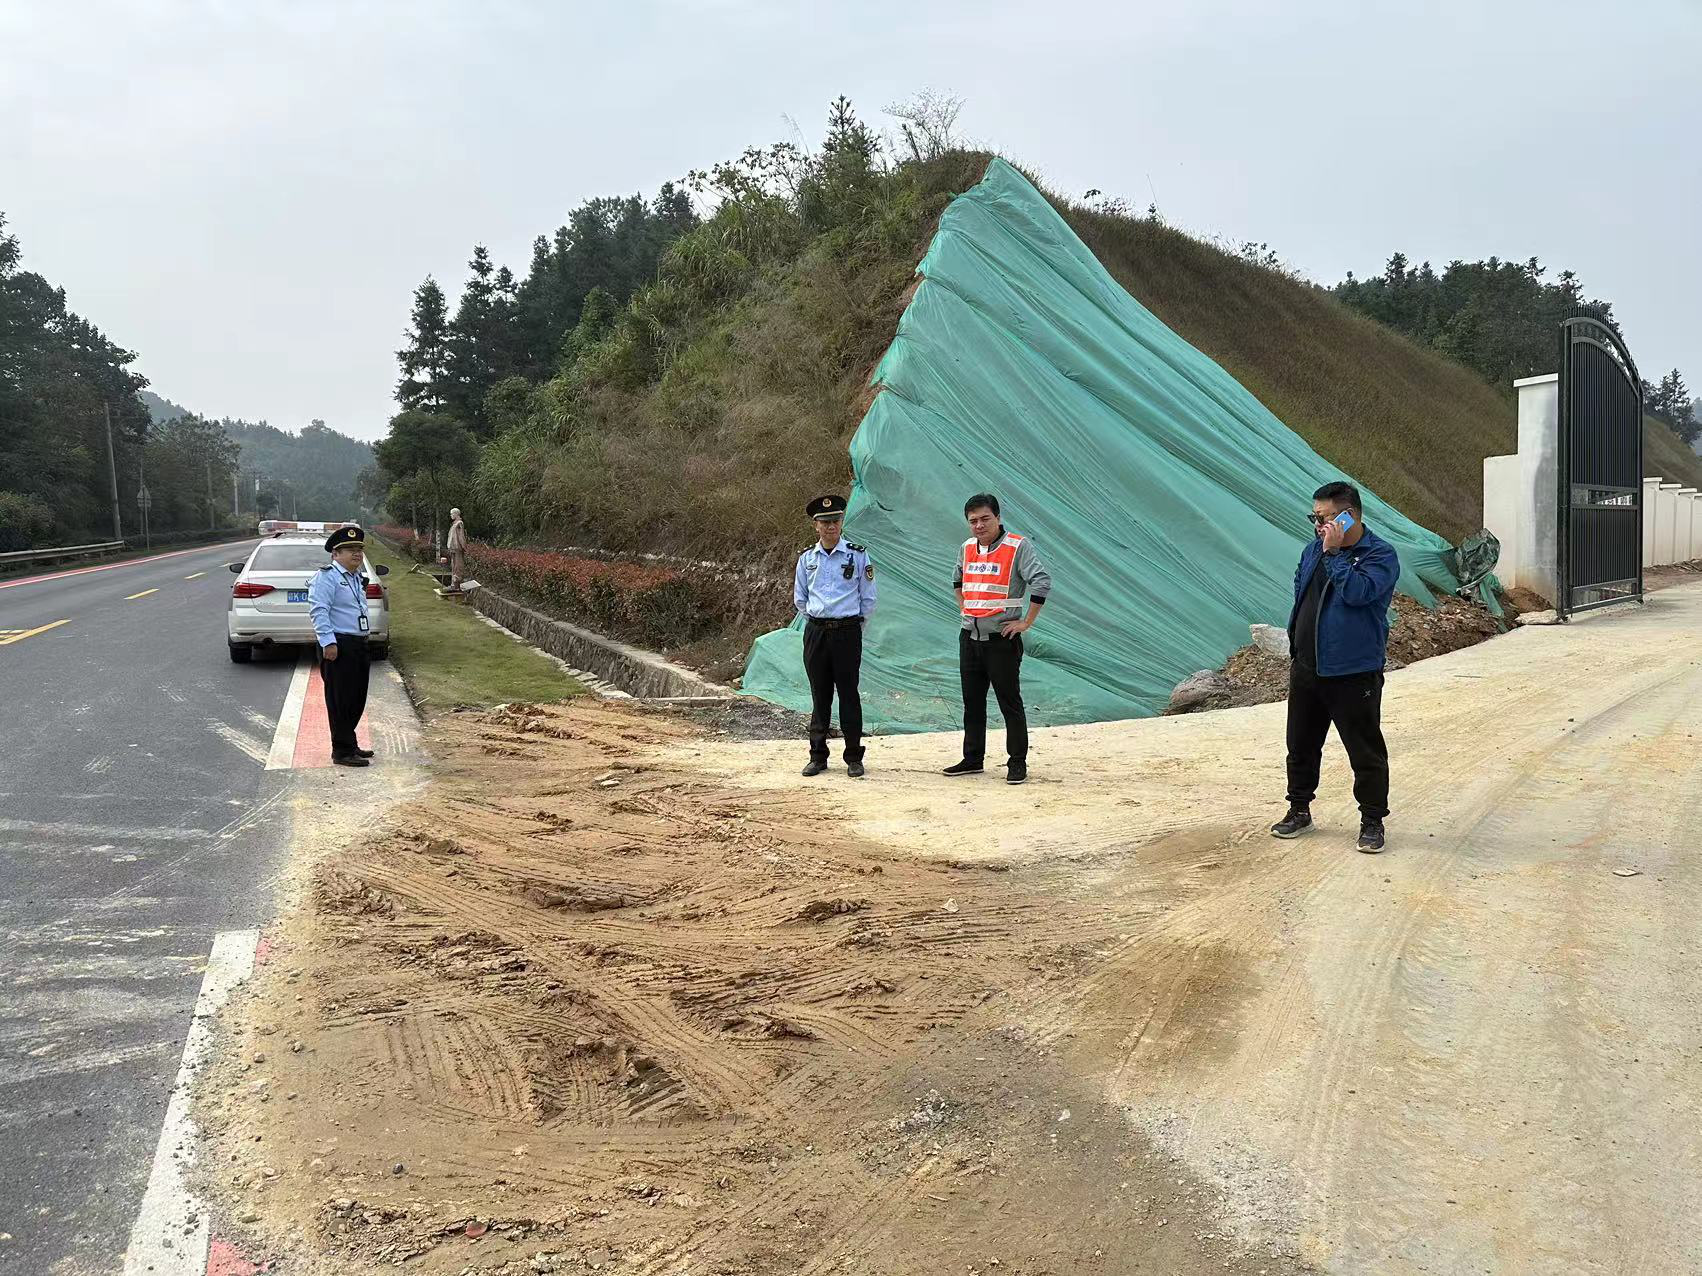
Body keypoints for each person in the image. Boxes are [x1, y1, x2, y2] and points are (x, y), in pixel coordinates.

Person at [1271, 481, 1400, 852]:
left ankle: (1372, 821)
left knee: (1364, 750)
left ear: (1350, 515)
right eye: (1315, 517)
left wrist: (1335, 555)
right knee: (1300, 745)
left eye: (1326, 518)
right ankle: (1299, 809)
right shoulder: (1313, 550)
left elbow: (1359, 593)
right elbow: (1301, 592)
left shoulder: (1380, 555)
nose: (1318, 525)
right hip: (1308, 666)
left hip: (1353, 670)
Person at [943, 493, 1050, 785]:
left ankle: (1017, 762)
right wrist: (965, 609)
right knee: (972, 703)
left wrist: (1026, 622)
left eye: (985, 519)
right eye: (973, 521)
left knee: (1009, 703)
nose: (979, 525)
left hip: (1001, 640)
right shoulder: (966, 548)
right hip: (970, 638)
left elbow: (1041, 581)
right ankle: (972, 759)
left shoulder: (1017, 546)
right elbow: (957, 580)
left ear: (998, 517)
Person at [792, 494, 876, 778]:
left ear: (842, 522)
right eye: (824, 522)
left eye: (835, 521)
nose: (830, 526)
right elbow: (801, 599)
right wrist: (819, 622)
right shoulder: (807, 559)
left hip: (847, 632)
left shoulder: (858, 554)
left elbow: (868, 598)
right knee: (820, 694)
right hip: (816, 632)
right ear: (816, 525)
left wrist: (852, 626)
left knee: (849, 694)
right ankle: (818, 756)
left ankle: (853, 756)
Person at [307, 525, 375, 768]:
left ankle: (350, 742)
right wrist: (328, 642)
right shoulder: (327, 577)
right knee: (340, 700)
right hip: (339, 644)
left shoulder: (356, 578)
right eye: (349, 550)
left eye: (359, 549)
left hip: (358, 644)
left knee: (356, 698)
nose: (356, 554)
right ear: (335, 554)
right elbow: (319, 610)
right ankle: (342, 751)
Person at [444, 507, 468, 590]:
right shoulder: (454, 524)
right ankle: (453, 584)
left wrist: (464, 547)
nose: (451, 515)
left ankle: (457, 584)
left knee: (458, 566)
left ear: (456, 514)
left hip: (458, 548)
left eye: (452, 514)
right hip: (452, 548)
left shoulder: (459, 523)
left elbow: (461, 536)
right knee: (453, 566)